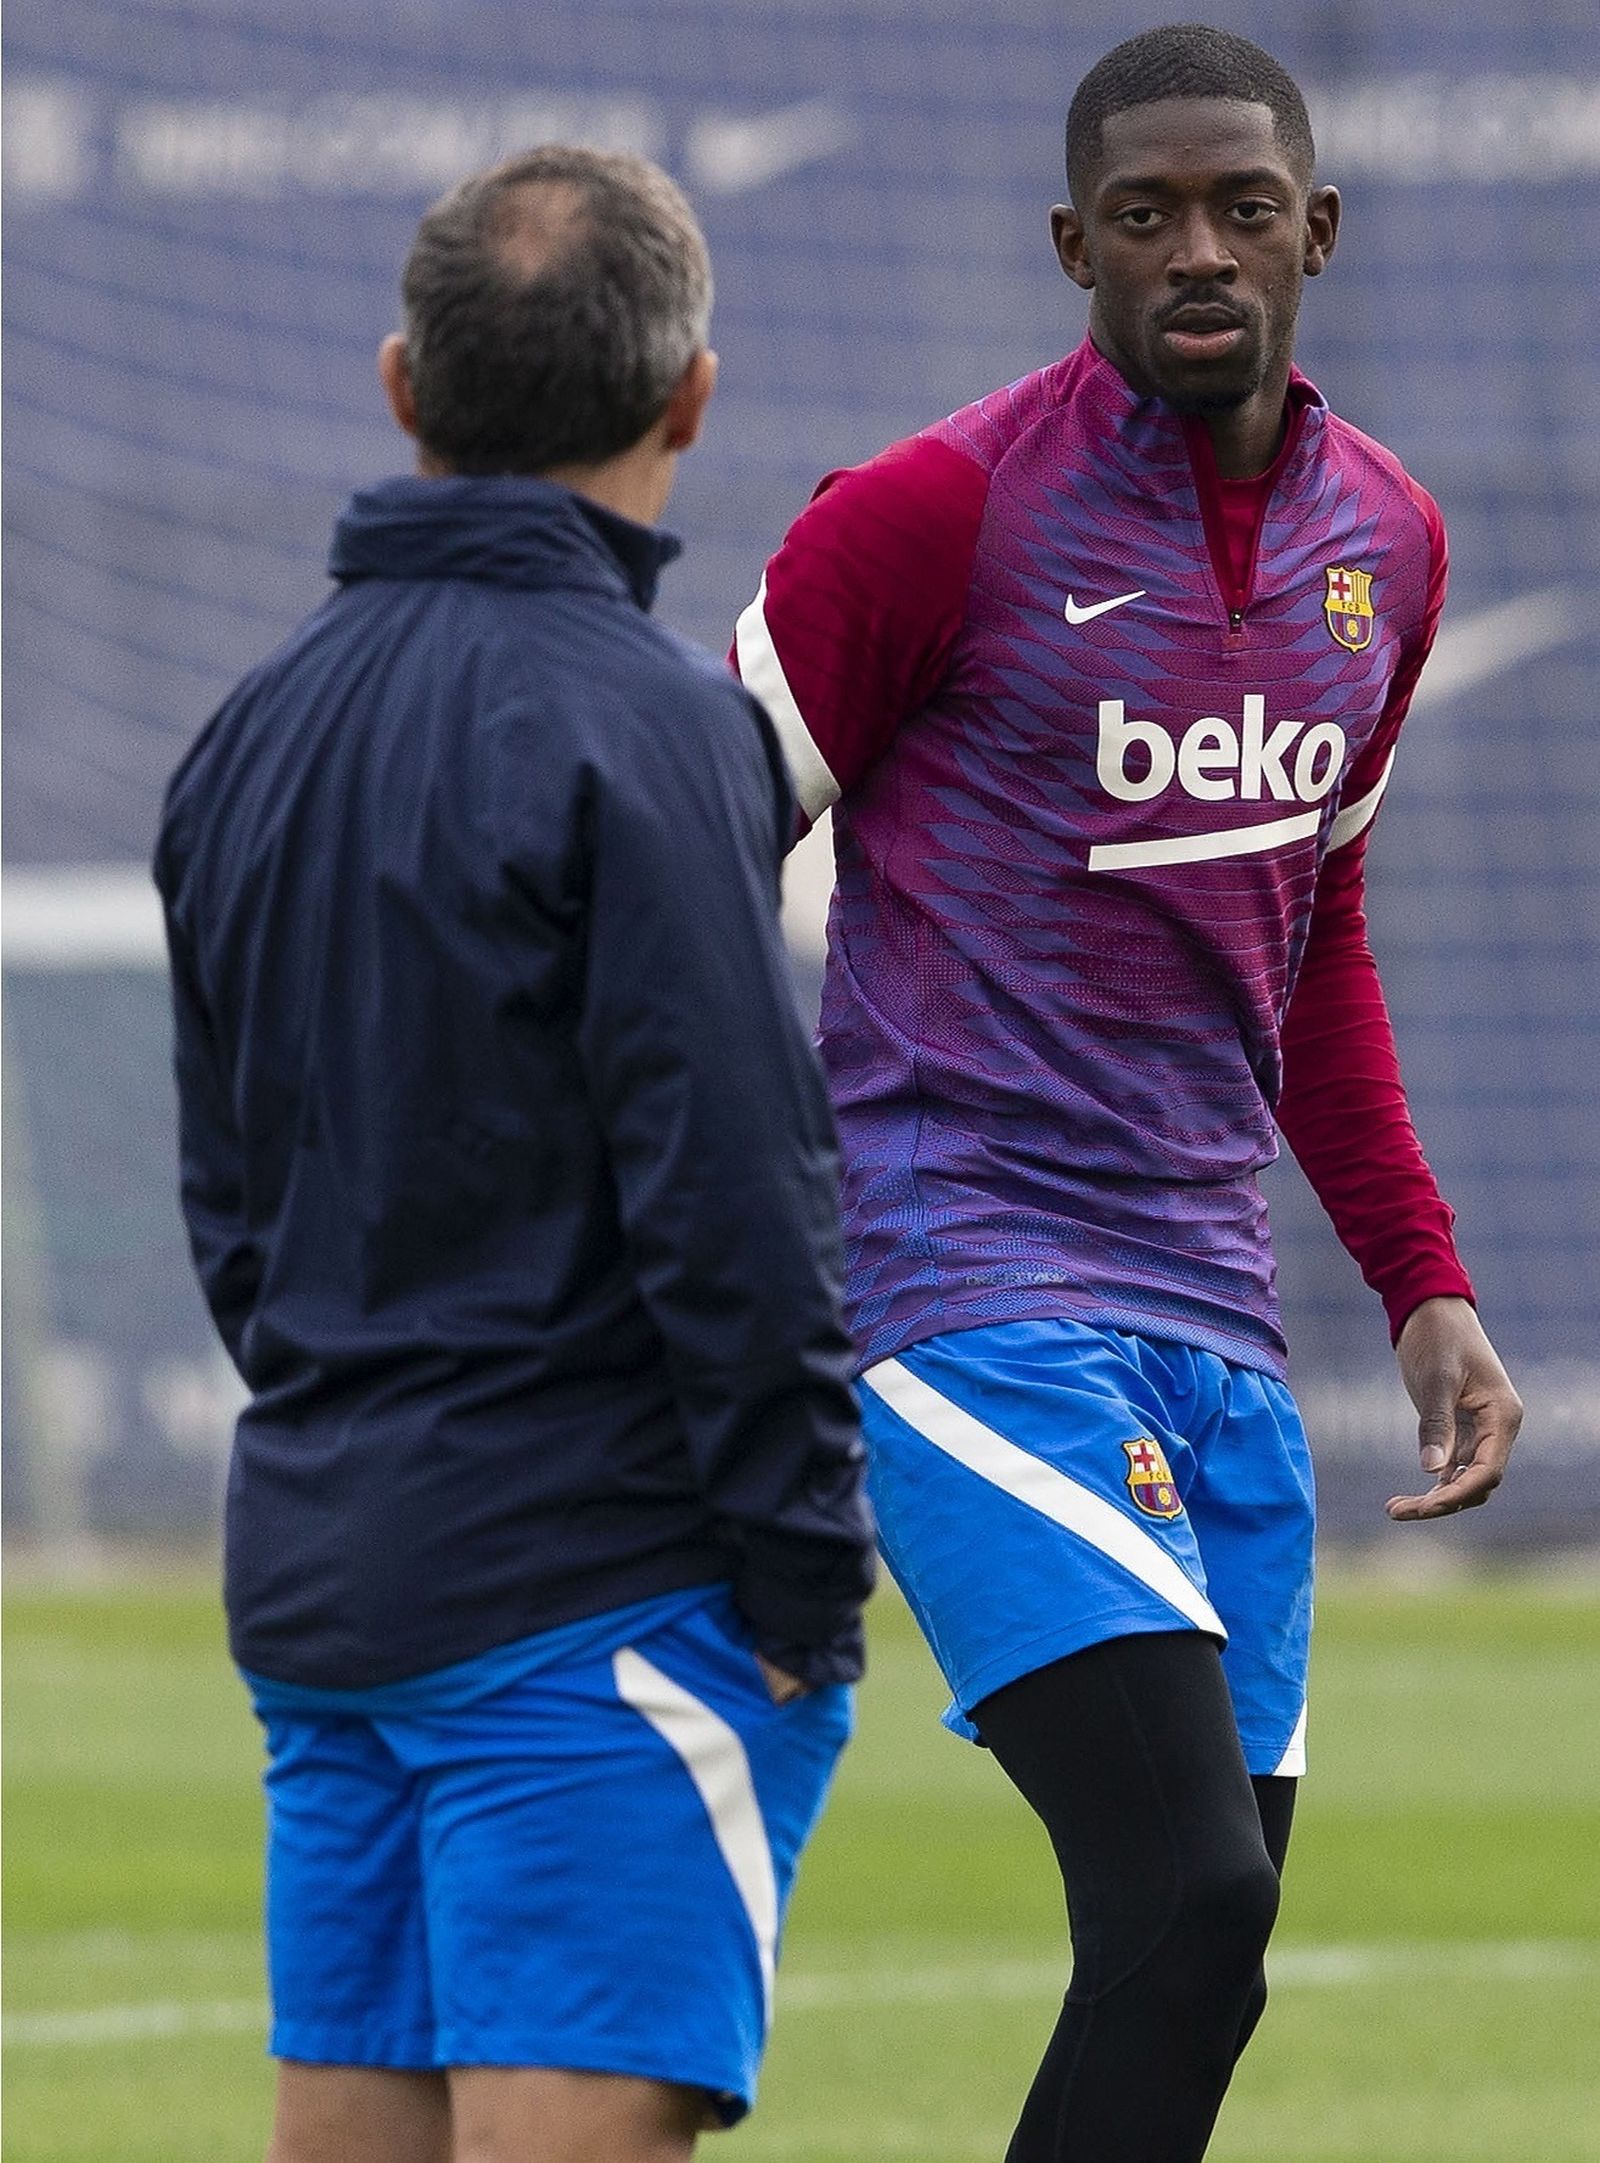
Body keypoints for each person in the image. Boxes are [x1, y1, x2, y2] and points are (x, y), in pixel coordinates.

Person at [733, 24, 1522, 2162]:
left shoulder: (1391, 543)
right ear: (1069, 245)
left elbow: (1307, 945)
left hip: (1212, 1311)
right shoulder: (926, 517)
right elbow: (675, 869)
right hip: (958, 1276)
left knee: (1192, 1954)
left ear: (1315, 235)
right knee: (1190, 1892)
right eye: (1148, 216)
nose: (1199, 251)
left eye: (1241, 210)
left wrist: (1417, 1275)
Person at [154, 146, 875, 2163]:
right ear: (691, 399)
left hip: (325, 1570)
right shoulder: (657, 725)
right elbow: (739, 1191)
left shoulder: (243, 730)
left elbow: (231, 1204)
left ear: (404, 385)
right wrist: (805, 1572)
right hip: (593, 1590)